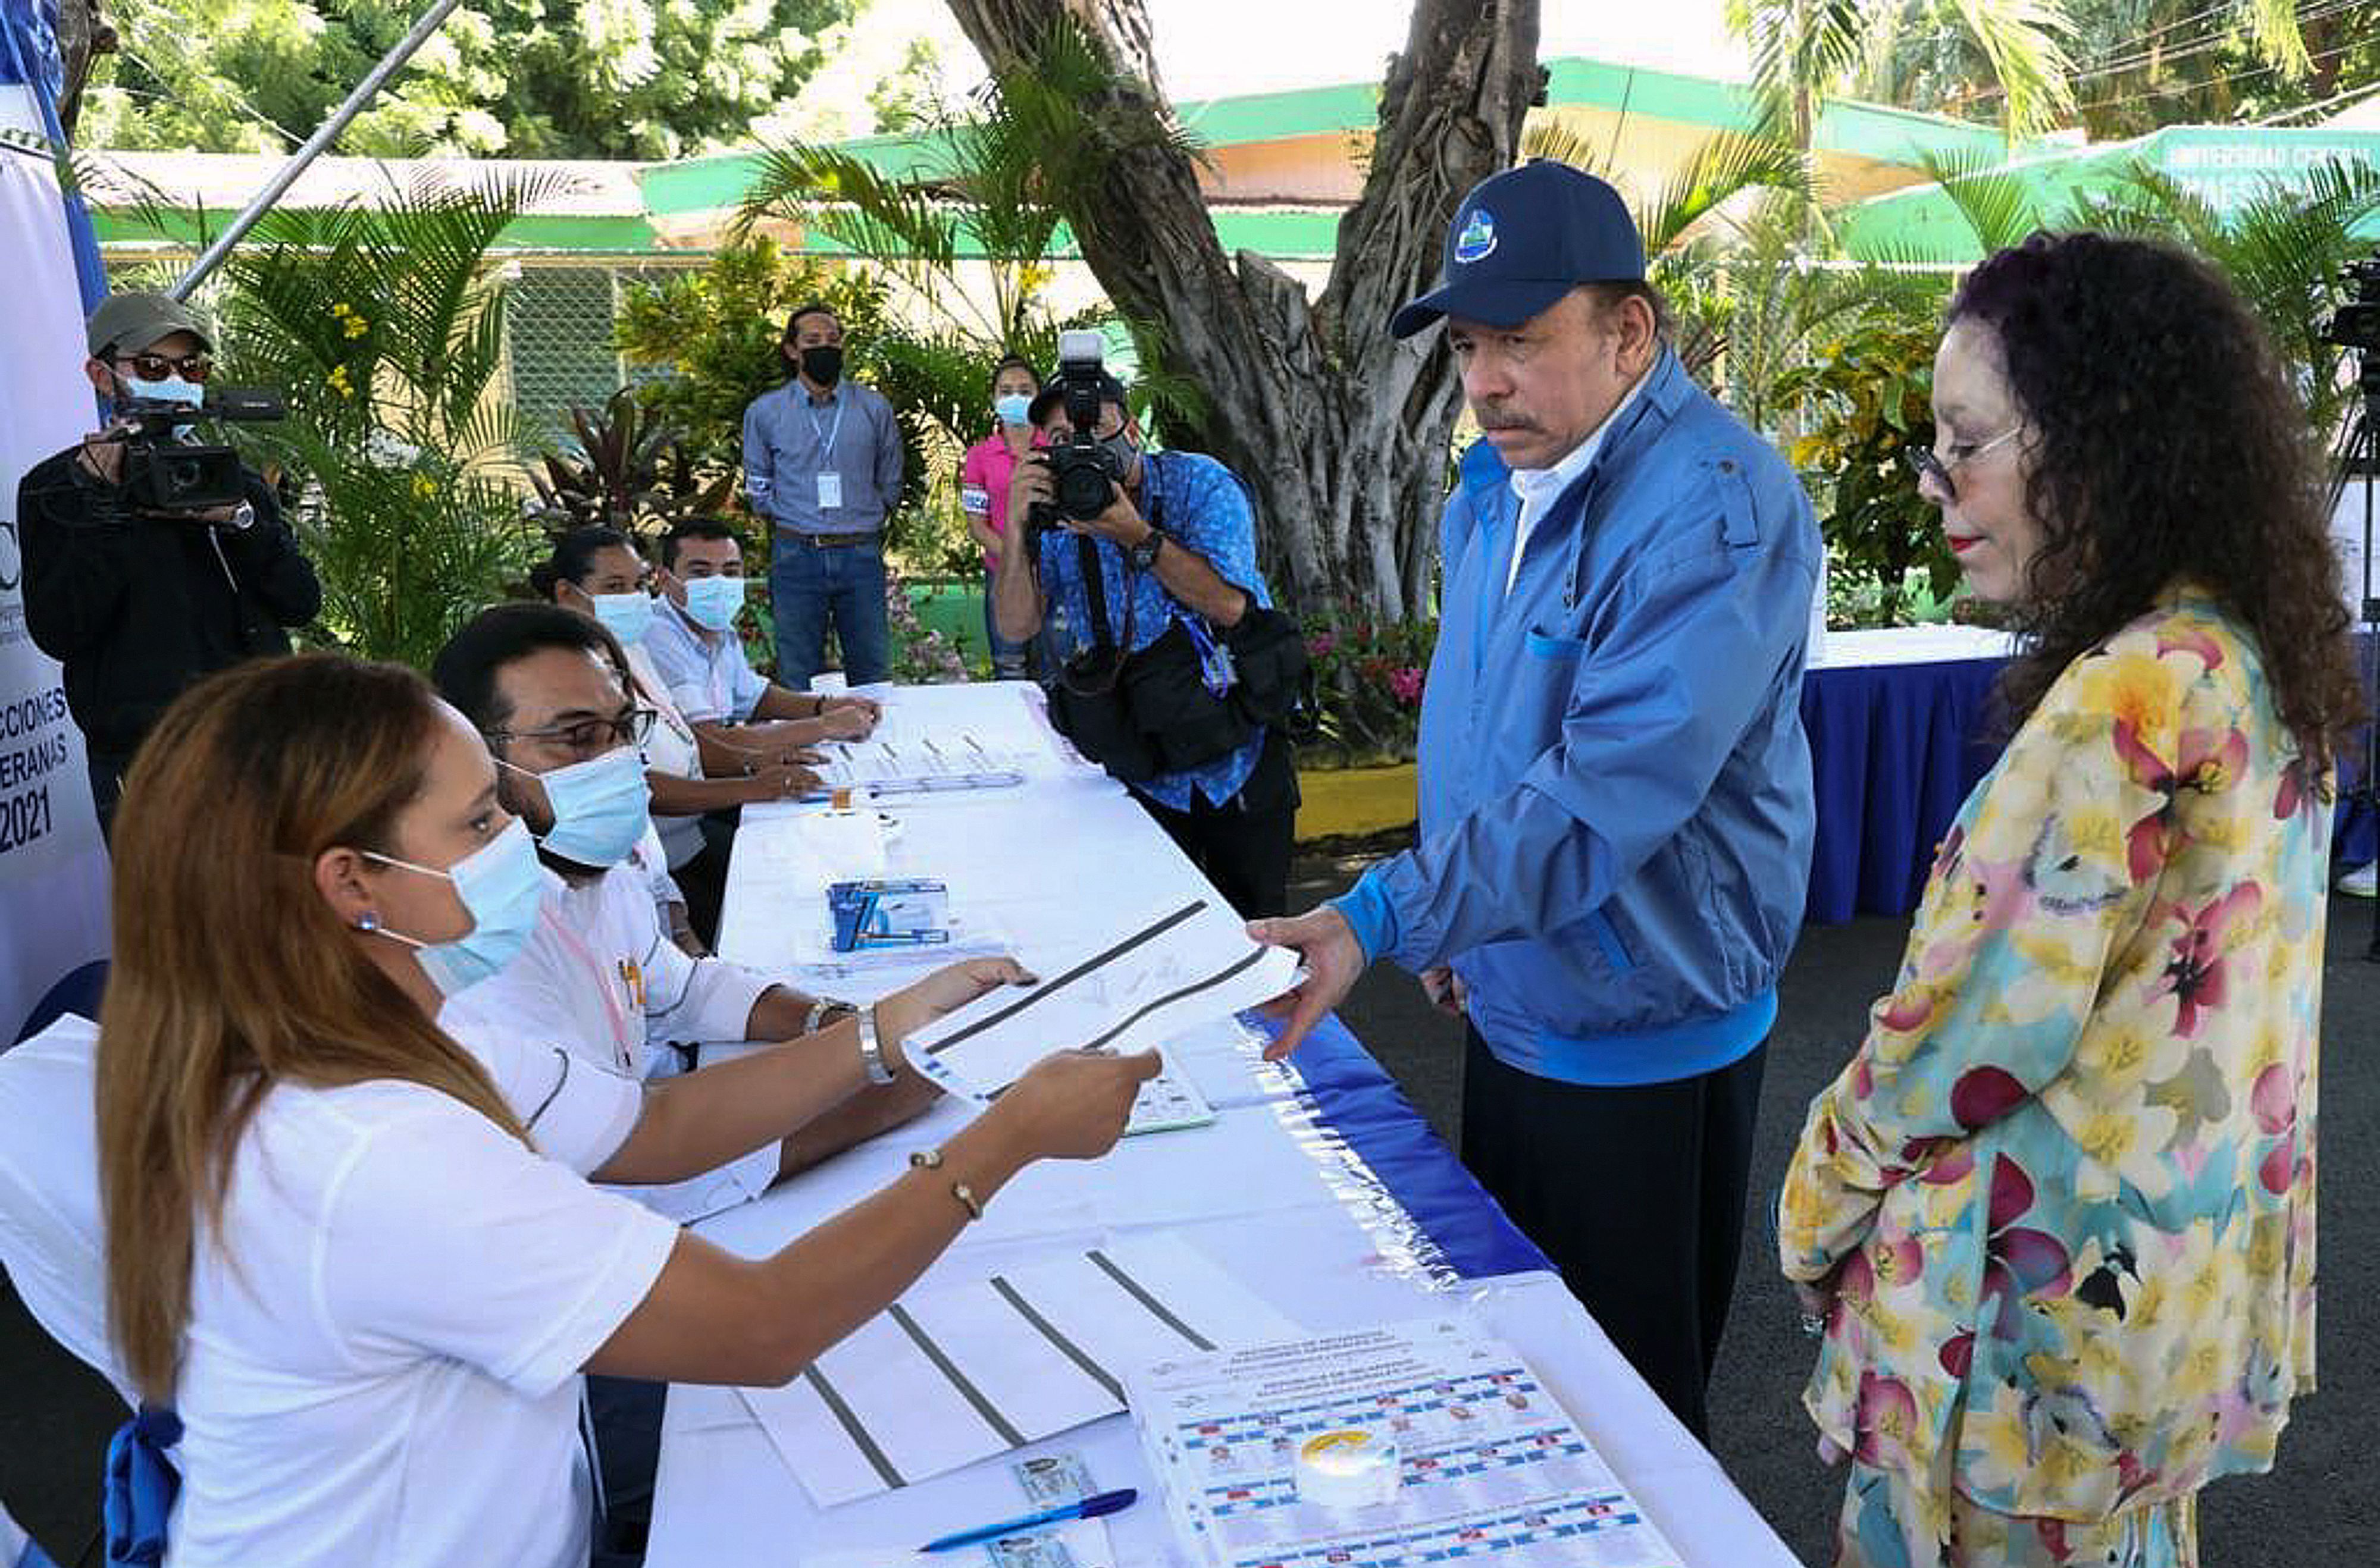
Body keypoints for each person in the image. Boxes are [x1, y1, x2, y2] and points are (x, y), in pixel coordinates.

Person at [84, 651, 1156, 1568]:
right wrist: (1008, 1137)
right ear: (352, 885)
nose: (521, 837)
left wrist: (886, 1028)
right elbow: (763, 1325)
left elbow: (653, 1131)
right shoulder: (366, 1145)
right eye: (480, 819)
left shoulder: (376, 1035)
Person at [1775, 233, 2363, 1568]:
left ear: (2097, 442)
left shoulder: (2126, 693)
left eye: (1963, 443)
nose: (1936, 488)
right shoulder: (2246, 660)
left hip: (2023, 1346)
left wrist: (1811, 1207)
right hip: (2162, 1314)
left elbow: (1957, 1040)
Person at [1251, 161, 1820, 1440]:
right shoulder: (1495, 487)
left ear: (1629, 333)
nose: (1485, 379)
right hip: (1518, 989)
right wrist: (1452, 921)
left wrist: (1385, 915)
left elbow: (1602, 794)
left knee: (1625, 1421)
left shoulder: (1715, 513)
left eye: (1519, 338)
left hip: (1641, 1030)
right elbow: (1484, 738)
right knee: (1519, 1377)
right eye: (1466, 343)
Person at [429, 601, 909, 1218]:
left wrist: (837, 1022)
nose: (615, 759)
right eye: (576, 737)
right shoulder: (478, 949)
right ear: (475, 757)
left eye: (623, 728)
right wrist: (891, 1080)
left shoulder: (594, 870)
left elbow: (683, 991)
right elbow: (635, 1168)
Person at [991, 371, 1298, 918]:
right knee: (1157, 937)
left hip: (1235, 756)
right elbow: (1017, 627)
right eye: (1061, 440)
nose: (1080, 449)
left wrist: (1134, 535)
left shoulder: (1199, 484)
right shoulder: (1055, 515)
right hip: (1141, 764)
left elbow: (1231, 606)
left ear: (1132, 431)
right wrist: (1016, 530)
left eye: (1093, 430)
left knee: (1257, 939)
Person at [16, 290, 319, 836]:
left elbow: (300, 602)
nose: (175, 380)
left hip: (263, 745)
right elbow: (61, 628)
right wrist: (105, 502)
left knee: (277, 918)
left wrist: (240, 519)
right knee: (182, 923)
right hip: (150, 764)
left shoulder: (235, 480)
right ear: (101, 375)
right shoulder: (60, 487)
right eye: (153, 366)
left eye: (191, 367)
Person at [533, 526, 818, 945]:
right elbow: (640, 783)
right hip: (648, 862)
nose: (633, 600)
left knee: (796, 873)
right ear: (567, 593)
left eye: (637, 585)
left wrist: (763, 765)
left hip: (684, 841)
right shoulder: (563, 679)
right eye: (614, 588)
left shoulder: (629, 650)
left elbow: (686, 739)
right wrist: (754, 783)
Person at [741, 303, 904, 689]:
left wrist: (876, 512)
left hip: (860, 552)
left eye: (833, 340)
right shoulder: (765, 412)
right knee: (799, 672)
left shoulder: (873, 407)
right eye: (812, 341)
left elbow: (891, 474)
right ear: (792, 350)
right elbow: (758, 480)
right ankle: (804, 746)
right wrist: (783, 517)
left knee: (873, 671)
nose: (824, 348)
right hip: (797, 553)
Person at [643, 517, 881, 761]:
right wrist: (825, 726)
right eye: (701, 573)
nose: (719, 583)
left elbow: (756, 698)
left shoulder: (720, 630)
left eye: (731, 572)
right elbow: (711, 742)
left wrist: (824, 706)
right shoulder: (657, 634)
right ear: (664, 579)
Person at [959, 355, 1045, 678]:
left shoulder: (1055, 445)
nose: (1016, 398)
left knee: (1057, 668)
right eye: (1006, 391)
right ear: (994, 399)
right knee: (1010, 669)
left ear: (1039, 396)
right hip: (1003, 573)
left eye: (1025, 390)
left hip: (1055, 574)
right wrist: (1017, 558)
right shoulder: (979, 456)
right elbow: (977, 525)